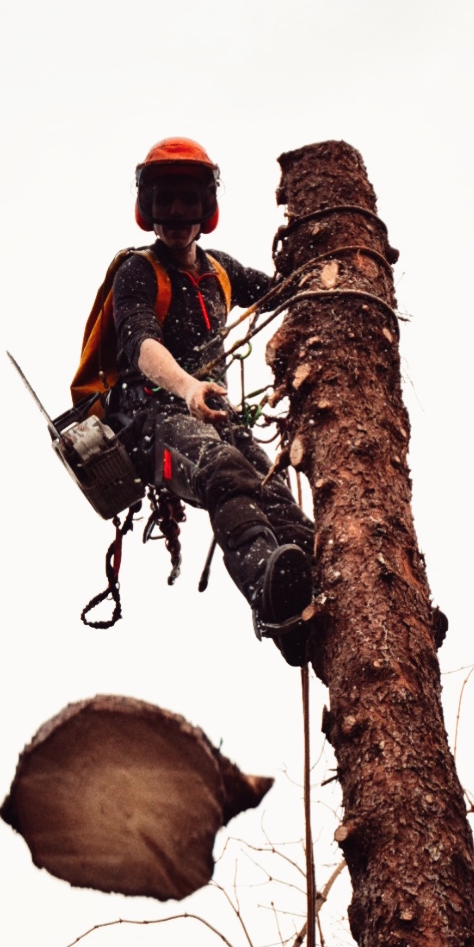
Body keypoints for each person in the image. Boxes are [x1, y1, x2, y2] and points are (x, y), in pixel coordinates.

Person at [106, 138, 314, 665]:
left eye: (188, 201)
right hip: (153, 416)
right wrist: (188, 388)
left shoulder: (220, 269)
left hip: (213, 413)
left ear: (207, 208)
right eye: (164, 200)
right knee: (224, 472)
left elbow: (281, 292)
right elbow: (141, 342)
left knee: (280, 502)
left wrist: (316, 267)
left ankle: (321, 607)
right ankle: (269, 589)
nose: (176, 213)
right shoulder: (138, 271)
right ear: (146, 208)